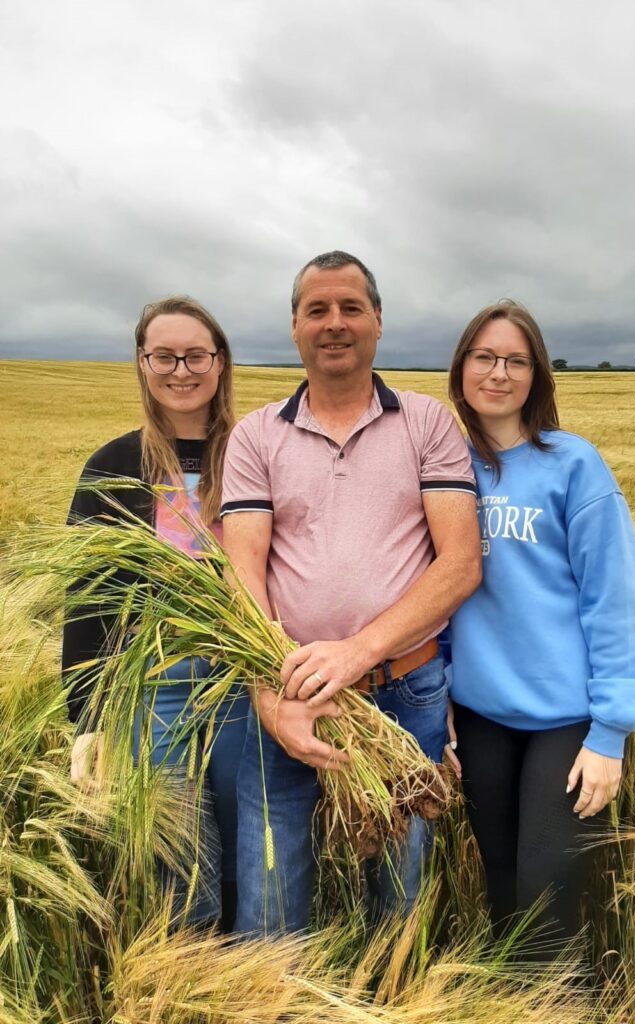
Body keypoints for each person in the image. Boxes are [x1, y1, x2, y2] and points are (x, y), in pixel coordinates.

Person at [220, 251, 481, 934]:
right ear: (295, 327)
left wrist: (357, 652)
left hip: (404, 695)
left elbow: (458, 565)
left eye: (350, 308)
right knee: (270, 903)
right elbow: (240, 568)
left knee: (396, 901)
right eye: (317, 310)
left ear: (378, 322)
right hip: (286, 690)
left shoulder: (427, 423)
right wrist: (269, 693)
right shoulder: (255, 435)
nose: (334, 323)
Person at [446, 300, 635, 950]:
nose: (499, 373)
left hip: (566, 724)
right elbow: (430, 590)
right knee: (503, 898)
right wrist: (439, 694)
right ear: (461, 368)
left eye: (516, 360)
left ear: (537, 375)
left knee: (547, 910)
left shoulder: (574, 465)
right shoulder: (445, 468)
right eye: (485, 357)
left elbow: (616, 598)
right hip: (479, 717)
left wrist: (610, 732)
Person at [62, 296, 249, 931]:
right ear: (142, 364)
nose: (180, 369)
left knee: (251, 833)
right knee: (178, 847)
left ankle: (252, 972)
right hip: (153, 683)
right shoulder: (113, 466)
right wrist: (85, 718)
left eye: (196, 354)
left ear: (220, 362)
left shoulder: (255, 452)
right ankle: (188, 974)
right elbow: (87, 599)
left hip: (247, 679)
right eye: (163, 355)